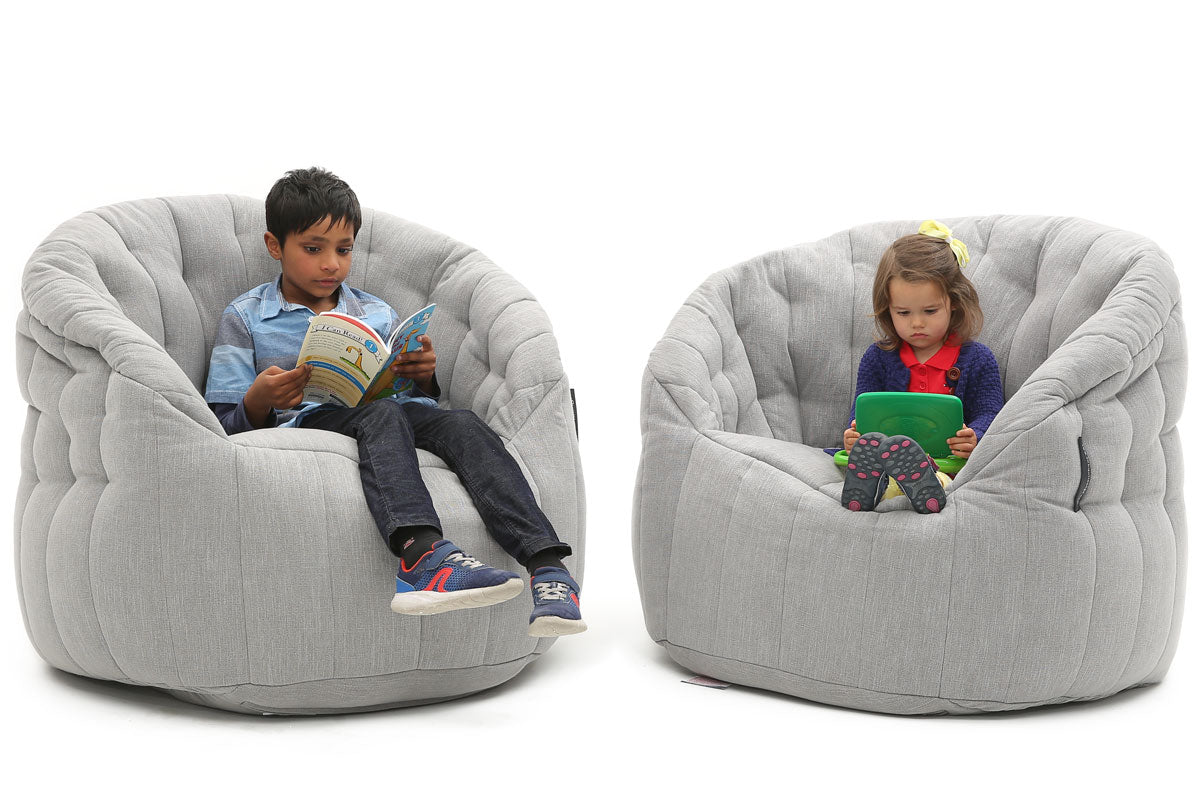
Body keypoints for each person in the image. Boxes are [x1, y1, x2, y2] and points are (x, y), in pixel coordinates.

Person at [204, 167, 585, 637]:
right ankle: (421, 555)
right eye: (313, 249)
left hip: (386, 411)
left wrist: (421, 376)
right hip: (311, 421)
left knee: (461, 422)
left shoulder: (375, 311)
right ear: (274, 246)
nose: (332, 265)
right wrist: (259, 399)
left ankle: (548, 568)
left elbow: (406, 397)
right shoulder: (246, 317)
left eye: (344, 250)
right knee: (382, 414)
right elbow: (223, 422)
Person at [839, 220, 1004, 514]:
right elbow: (863, 411)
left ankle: (918, 485)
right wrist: (855, 434)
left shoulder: (977, 359)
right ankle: (874, 486)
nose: (917, 323)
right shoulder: (877, 358)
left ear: (954, 301)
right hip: (886, 461)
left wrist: (974, 436)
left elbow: (991, 413)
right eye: (903, 312)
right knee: (877, 454)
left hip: (948, 465)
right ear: (887, 308)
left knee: (939, 479)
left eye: (930, 310)